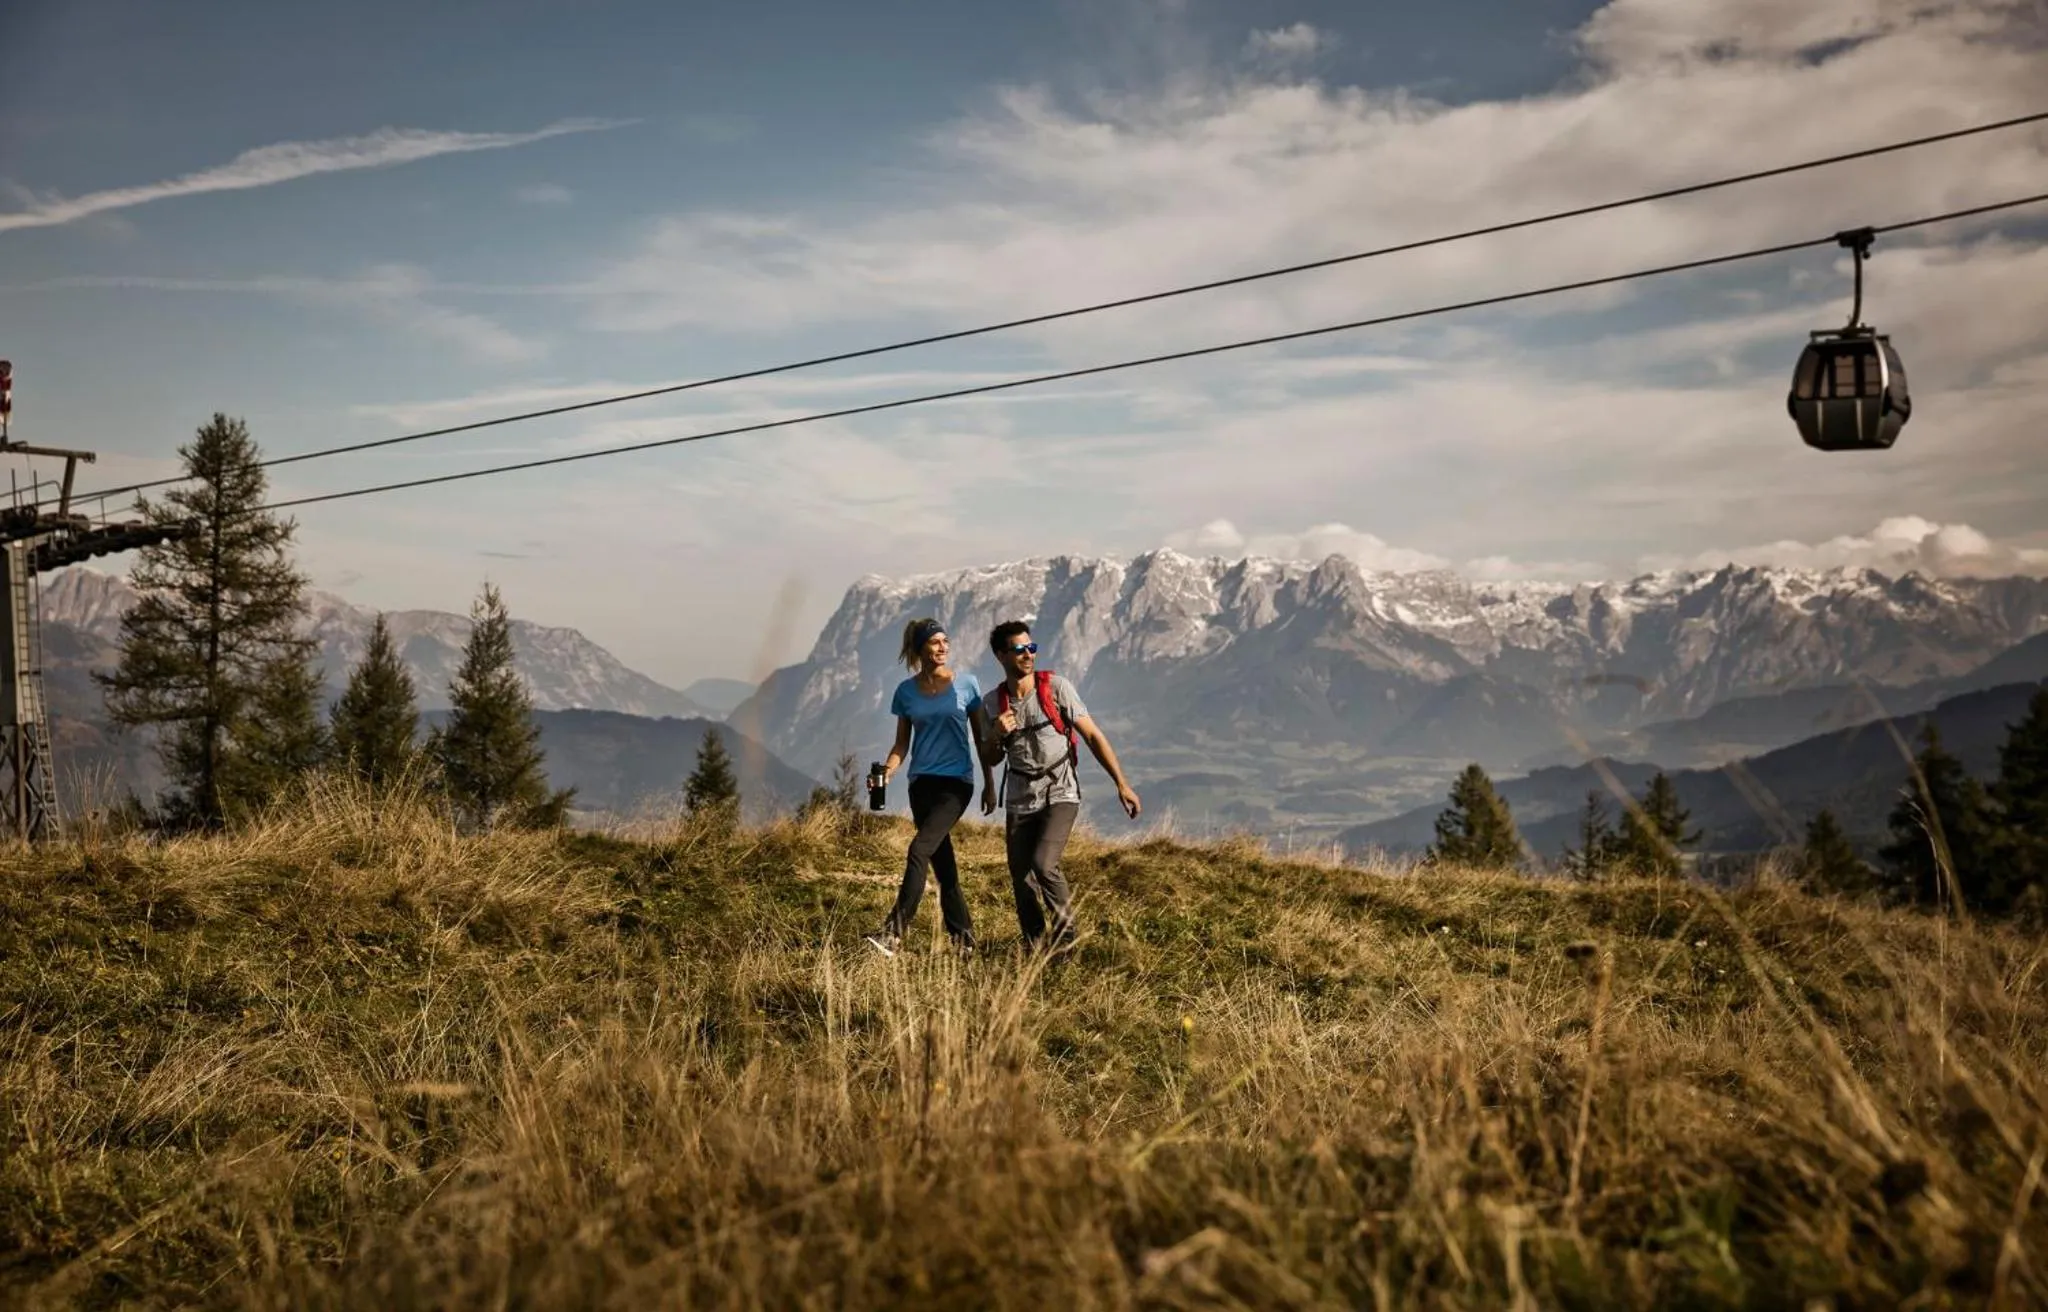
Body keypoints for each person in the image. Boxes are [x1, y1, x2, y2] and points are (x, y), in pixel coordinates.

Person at [979, 619, 1140, 954]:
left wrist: (1121, 784)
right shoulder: (992, 704)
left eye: (1031, 648)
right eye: (1019, 649)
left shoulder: (1056, 689)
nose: (1028, 655)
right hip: (1020, 797)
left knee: (1043, 863)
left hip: (1060, 790)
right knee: (1020, 878)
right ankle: (1036, 946)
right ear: (1000, 656)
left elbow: (1093, 736)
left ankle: (1067, 937)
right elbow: (991, 757)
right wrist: (997, 733)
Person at [864, 617, 997, 958]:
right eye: (935, 642)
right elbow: (901, 744)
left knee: (918, 850)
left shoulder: (966, 685)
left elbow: (982, 738)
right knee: (943, 863)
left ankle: (893, 934)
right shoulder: (906, 692)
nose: (943, 647)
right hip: (920, 784)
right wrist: (888, 773)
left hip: (956, 784)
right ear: (920, 647)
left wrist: (989, 783)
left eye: (945, 641)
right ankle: (964, 939)